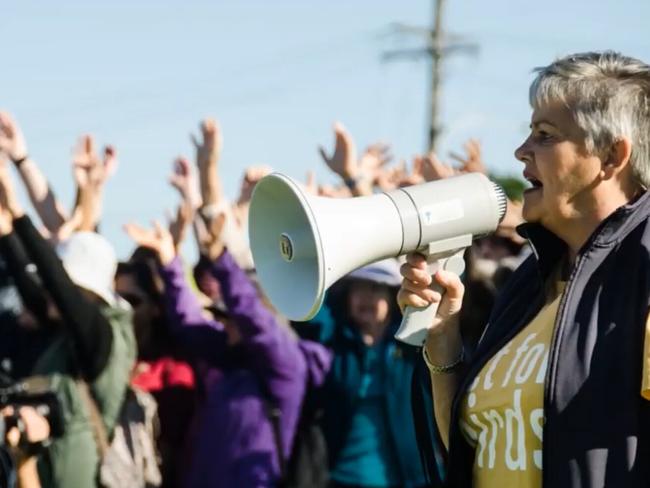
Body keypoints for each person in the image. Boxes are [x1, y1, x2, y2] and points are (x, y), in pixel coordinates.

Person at [398, 50, 650, 488]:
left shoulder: (644, 267)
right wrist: (443, 341)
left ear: (611, 156)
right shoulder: (529, 283)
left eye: (545, 135)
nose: (520, 151)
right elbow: (477, 450)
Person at [124, 215, 331, 488]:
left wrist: (221, 259)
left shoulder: (287, 368)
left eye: (232, 318)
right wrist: (169, 261)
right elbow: (189, 322)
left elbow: (257, 324)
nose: (224, 324)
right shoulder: (228, 358)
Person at [0, 164, 136, 488]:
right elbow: (33, 285)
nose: (46, 293)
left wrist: (20, 214)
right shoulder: (63, 334)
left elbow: (57, 286)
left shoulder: (102, 339)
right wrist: (6, 230)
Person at [296, 259, 442, 488]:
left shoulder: (413, 343)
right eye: (358, 287)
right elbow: (307, 309)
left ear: (393, 296)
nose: (366, 297)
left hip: (411, 478)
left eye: (375, 288)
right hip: (342, 479)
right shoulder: (335, 342)